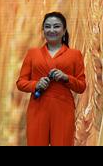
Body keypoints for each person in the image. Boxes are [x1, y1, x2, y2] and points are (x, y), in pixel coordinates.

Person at [16, 12, 86, 146]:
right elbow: (20, 82)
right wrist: (36, 85)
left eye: (56, 26)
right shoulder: (32, 53)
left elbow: (82, 86)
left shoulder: (75, 54)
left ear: (64, 30)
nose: (51, 30)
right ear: (43, 31)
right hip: (38, 107)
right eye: (47, 27)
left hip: (63, 109)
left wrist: (66, 78)